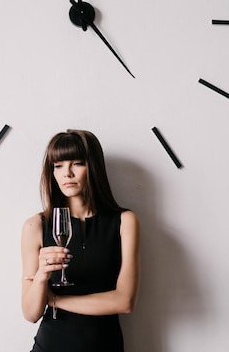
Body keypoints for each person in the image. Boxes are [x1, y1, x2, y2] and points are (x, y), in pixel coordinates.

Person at [21, 129, 141, 352]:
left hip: (106, 346)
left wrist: (54, 300)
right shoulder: (35, 226)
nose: (67, 173)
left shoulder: (125, 221)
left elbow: (125, 301)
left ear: (93, 167)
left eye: (77, 163)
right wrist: (41, 276)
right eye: (58, 165)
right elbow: (30, 313)